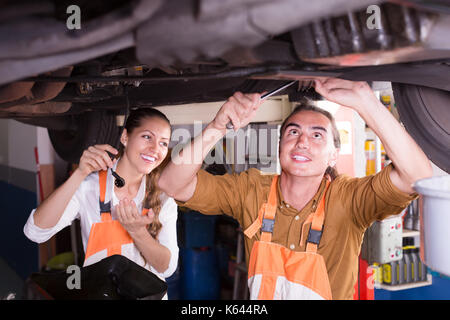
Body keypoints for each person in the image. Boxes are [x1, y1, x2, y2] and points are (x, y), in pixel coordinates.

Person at [158, 78, 432, 300]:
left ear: (333, 155)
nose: (302, 142)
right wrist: (217, 128)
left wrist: (366, 101)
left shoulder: (348, 200)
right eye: (293, 132)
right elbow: (171, 183)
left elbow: (417, 177)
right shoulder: (251, 190)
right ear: (280, 148)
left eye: (317, 135)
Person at [24, 108, 179, 295]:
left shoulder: (163, 196)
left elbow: (167, 268)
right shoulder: (90, 187)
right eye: (147, 137)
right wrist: (79, 174)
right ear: (124, 137)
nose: (155, 149)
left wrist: (138, 232)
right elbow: (35, 232)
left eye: (163, 143)